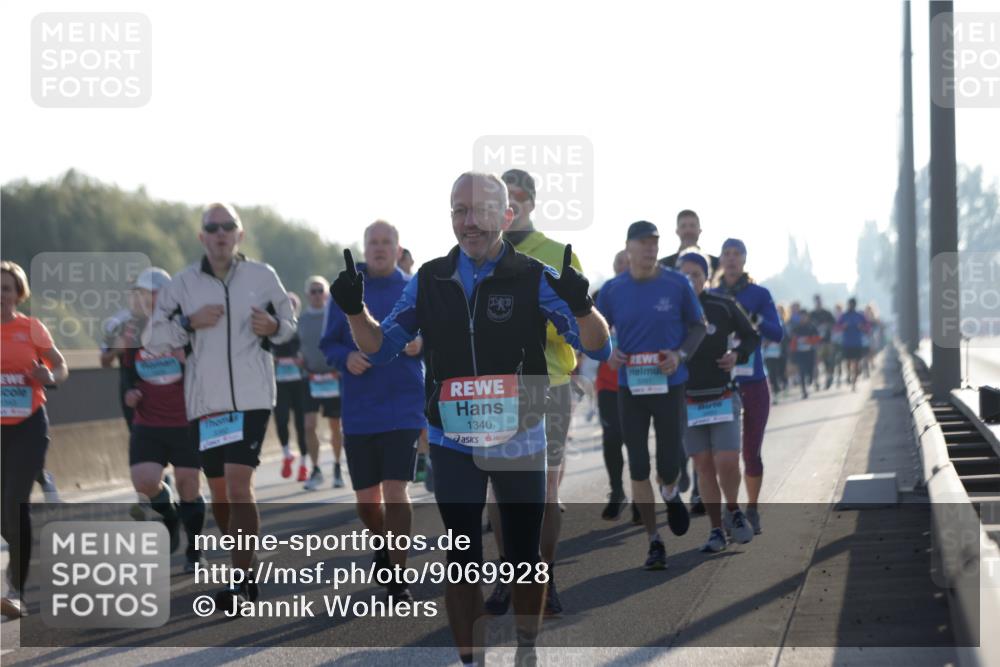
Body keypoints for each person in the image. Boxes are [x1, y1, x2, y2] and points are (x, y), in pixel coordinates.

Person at [329, 172, 610, 665]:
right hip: (452, 436)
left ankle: (526, 647)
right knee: (461, 560)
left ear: (505, 215)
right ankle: (471, 661)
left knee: (523, 557)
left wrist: (582, 305)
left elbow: (598, 344)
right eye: (460, 210)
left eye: (481, 209)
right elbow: (379, 347)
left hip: (521, 435)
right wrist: (355, 312)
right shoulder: (430, 278)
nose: (469, 220)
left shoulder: (533, 275)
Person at [150, 202, 296, 607]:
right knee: (219, 494)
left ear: (239, 234)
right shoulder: (182, 284)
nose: (220, 233)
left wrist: (275, 327)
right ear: (202, 237)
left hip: (252, 397)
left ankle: (241, 578)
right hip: (207, 405)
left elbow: (289, 326)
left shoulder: (262, 276)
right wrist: (186, 323)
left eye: (227, 226)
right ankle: (243, 567)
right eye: (212, 227)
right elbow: (152, 338)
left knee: (238, 484)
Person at [483, 168, 586, 617]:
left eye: (521, 196)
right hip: (495, 389)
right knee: (500, 495)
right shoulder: (477, 252)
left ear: (531, 203)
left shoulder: (557, 253)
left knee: (545, 492)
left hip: (550, 385)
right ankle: (509, 576)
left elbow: (579, 322)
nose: (514, 203)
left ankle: (545, 576)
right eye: (505, 195)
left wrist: (530, 323)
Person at [321, 220, 427, 603]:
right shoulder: (348, 291)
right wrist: (345, 355)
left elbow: (438, 334)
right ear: (365, 248)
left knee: (396, 491)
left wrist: (422, 342)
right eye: (373, 242)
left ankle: (398, 576)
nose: (380, 248)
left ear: (399, 249)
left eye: (387, 242)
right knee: (368, 502)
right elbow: (327, 344)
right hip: (361, 408)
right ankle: (382, 542)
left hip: (404, 403)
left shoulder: (413, 288)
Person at [597, 221, 707, 570]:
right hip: (630, 388)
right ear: (628, 247)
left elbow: (698, 326)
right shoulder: (613, 289)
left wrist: (679, 355)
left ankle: (672, 492)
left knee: (669, 463)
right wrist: (607, 353)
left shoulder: (676, 284)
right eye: (643, 243)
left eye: (655, 243)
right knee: (639, 466)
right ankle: (653, 542)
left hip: (669, 384)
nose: (651, 248)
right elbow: (597, 330)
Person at [122, 267, 207, 573]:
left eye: (155, 294)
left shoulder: (187, 327)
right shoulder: (132, 331)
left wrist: (187, 362)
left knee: (189, 486)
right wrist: (130, 393)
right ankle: (169, 515)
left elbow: (206, 369)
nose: (149, 300)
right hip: (149, 423)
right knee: (144, 483)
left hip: (185, 422)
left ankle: (194, 551)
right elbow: (127, 373)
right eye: (144, 295)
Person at [677, 250, 758, 551]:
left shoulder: (723, 305)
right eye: (684, 275)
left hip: (722, 394)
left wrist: (737, 355)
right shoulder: (670, 310)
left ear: (706, 277)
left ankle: (733, 510)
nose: (690, 280)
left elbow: (752, 336)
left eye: (696, 275)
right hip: (687, 399)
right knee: (704, 466)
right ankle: (715, 530)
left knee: (726, 460)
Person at [1, 260, 70, 619]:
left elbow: (60, 367)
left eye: (6, 289)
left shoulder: (31, 329)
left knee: (15, 502)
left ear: (18, 294)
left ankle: (16, 589)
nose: (0, 296)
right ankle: (25, 548)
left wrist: (48, 375)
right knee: (4, 515)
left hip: (28, 423)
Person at [713, 238, 783, 535]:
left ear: (744, 259)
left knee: (750, 452)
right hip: (721, 383)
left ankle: (752, 508)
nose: (731, 259)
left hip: (753, 381)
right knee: (724, 455)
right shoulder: (711, 295)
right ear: (720, 260)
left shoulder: (759, 294)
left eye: (736, 254)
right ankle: (732, 510)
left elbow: (777, 333)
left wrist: (752, 318)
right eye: (726, 254)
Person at [298, 276, 345, 489]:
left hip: (333, 377)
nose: (317, 295)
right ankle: (315, 469)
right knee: (309, 425)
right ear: (307, 295)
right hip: (311, 378)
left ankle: (337, 466)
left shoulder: (334, 315)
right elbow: (296, 345)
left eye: (320, 291)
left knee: (336, 426)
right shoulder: (302, 320)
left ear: (327, 294)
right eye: (313, 291)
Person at [596, 250, 632, 522]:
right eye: (619, 263)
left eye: (628, 263)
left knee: (636, 439)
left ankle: (643, 494)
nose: (624, 267)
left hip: (642, 382)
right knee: (612, 438)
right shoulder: (603, 296)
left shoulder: (647, 296)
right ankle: (617, 490)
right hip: (609, 382)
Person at [272, 292, 311, 484]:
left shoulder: (302, 327)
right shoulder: (273, 328)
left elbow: (310, 350)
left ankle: (304, 463)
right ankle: (287, 454)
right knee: (280, 419)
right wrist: (273, 360)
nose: (289, 307)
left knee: (301, 424)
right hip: (279, 383)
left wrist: (302, 360)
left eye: (292, 304)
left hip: (299, 382)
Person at [658, 209, 721, 274]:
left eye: (692, 226)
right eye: (683, 226)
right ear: (677, 231)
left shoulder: (716, 265)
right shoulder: (663, 266)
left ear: (700, 230)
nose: (688, 230)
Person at [836, 297, 871, 392]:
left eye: (853, 304)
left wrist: (862, 327)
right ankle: (848, 375)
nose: (851, 306)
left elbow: (868, 327)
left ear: (855, 305)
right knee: (847, 362)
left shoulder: (860, 315)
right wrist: (843, 327)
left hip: (857, 343)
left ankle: (854, 384)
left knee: (856, 363)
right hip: (846, 343)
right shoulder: (844, 315)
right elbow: (837, 326)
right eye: (850, 304)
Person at [789, 310, 820, 399]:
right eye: (801, 317)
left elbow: (817, 339)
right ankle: (804, 391)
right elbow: (791, 341)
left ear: (807, 317)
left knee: (810, 372)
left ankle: (810, 381)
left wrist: (807, 340)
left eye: (804, 316)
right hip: (799, 354)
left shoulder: (812, 327)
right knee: (801, 371)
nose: (803, 318)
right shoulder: (796, 328)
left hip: (810, 353)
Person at [764, 304, 789, 404]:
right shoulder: (765, 322)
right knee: (772, 374)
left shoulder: (782, 324)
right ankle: (776, 393)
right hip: (768, 354)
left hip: (780, 353)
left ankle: (784, 385)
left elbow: (784, 337)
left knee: (780, 372)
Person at [811, 295, 837, 391]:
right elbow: (808, 327)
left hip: (827, 342)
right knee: (816, 363)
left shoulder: (827, 313)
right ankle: (816, 382)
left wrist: (827, 325)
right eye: (816, 301)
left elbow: (834, 324)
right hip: (817, 343)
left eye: (819, 301)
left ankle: (829, 378)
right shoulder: (812, 314)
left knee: (829, 362)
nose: (818, 303)